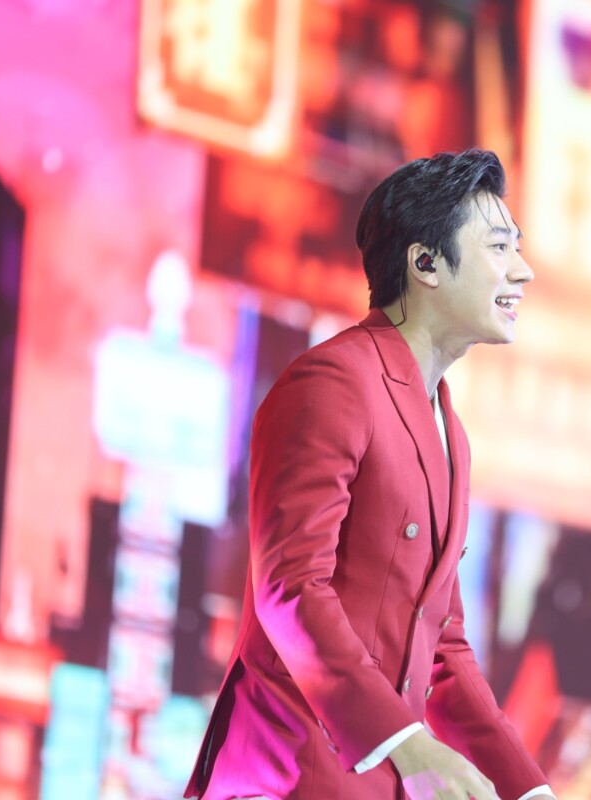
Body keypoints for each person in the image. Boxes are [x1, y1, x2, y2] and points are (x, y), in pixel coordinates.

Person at [185, 149, 555, 800]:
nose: (521, 272)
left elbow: (444, 648)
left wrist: (528, 789)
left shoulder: (451, 434)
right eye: (500, 248)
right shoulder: (333, 381)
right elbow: (291, 588)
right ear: (425, 263)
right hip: (286, 778)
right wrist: (409, 744)